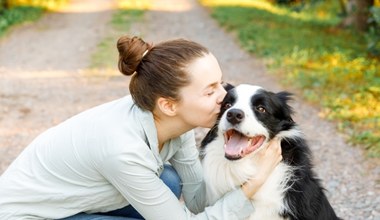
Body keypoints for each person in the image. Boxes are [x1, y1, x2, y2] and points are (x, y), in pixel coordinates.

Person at [0, 36, 282, 220]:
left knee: (169, 181)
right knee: (164, 187)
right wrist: (254, 184)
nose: (224, 96)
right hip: (26, 215)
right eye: (210, 91)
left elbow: (197, 201)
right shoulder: (122, 149)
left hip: (70, 199)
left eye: (220, 83)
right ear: (169, 105)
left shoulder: (175, 122)